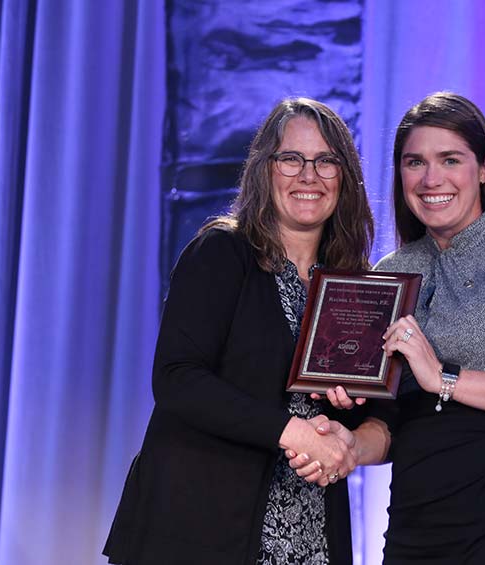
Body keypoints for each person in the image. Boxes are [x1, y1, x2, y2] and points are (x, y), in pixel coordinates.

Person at [293, 92, 485, 564]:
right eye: (415, 162)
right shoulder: (388, 274)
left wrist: (445, 378)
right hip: (419, 522)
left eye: (450, 159)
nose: (431, 179)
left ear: (483, 168)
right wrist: (352, 444)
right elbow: (393, 424)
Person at [103, 97, 376, 565]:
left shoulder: (352, 287)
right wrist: (293, 431)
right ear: (264, 169)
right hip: (198, 529)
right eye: (291, 158)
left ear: (344, 178)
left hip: (309, 537)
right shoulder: (222, 252)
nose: (308, 175)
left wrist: (345, 414)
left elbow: (355, 423)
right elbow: (177, 379)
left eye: (326, 161)